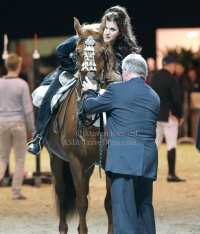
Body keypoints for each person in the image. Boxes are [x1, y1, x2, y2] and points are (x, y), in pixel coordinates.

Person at [81, 54, 160, 234]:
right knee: (144, 209)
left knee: (123, 212)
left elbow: (89, 106)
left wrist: (89, 89)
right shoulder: (154, 95)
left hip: (124, 159)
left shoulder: (117, 90)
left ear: (126, 71)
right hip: (147, 158)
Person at [27, 5, 140, 155]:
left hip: (111, 83)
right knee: (49, 97)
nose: (107, 32)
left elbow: (135, 76)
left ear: (121, 32)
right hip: (74, 74)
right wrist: (75, 69)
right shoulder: (88, 36)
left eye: (112, 29)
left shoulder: (125, 50)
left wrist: (119, 77)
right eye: (106, 27)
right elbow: (61, 50)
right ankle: (39, 137)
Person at [0, 54, 35, 199]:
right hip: (19, 124)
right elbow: (28, 108)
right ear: (19, 66)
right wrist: (31, 129)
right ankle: (16, 192)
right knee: (19, 159)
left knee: (2, 158)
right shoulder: (22, 84)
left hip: (2, 123)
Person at [150, 55, 185, 182]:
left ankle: (148, 172)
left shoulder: (154, 76)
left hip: (155, 114)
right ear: (171, 65)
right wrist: (179, 115)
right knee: (171, 144)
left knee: (154, 144)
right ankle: (171, 174)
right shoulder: (172, 79)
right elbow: (176, 100)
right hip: (169, 115)